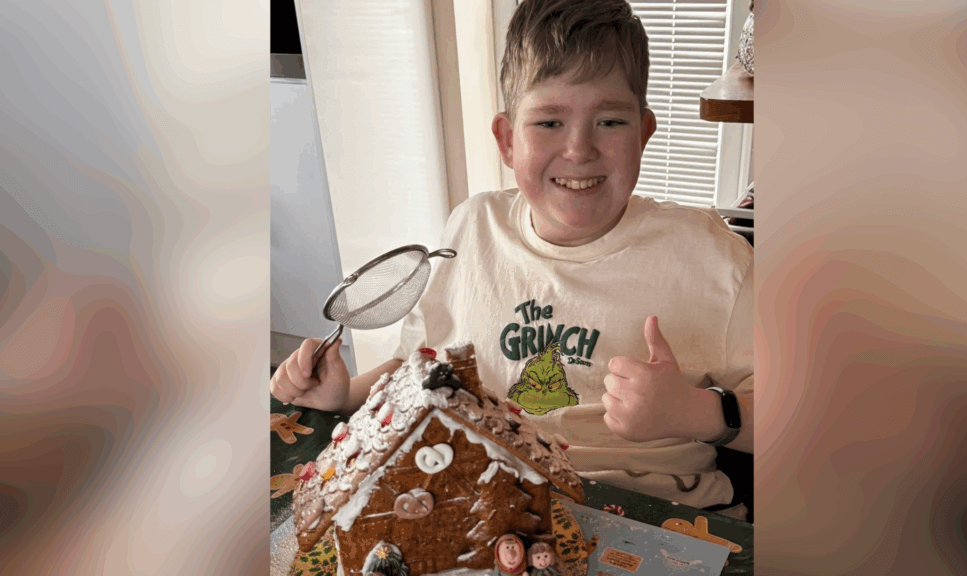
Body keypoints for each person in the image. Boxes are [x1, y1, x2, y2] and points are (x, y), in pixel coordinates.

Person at [270, 0, 753, 511]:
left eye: (610, 121)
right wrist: (345, 396)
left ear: (644, 134)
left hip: (652, 517)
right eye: (549, 122)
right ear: (506, 140)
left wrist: (698, 413)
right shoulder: (472, 225)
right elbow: (419, 363)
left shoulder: (712, 258)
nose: (579, 150)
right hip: (481, 503)